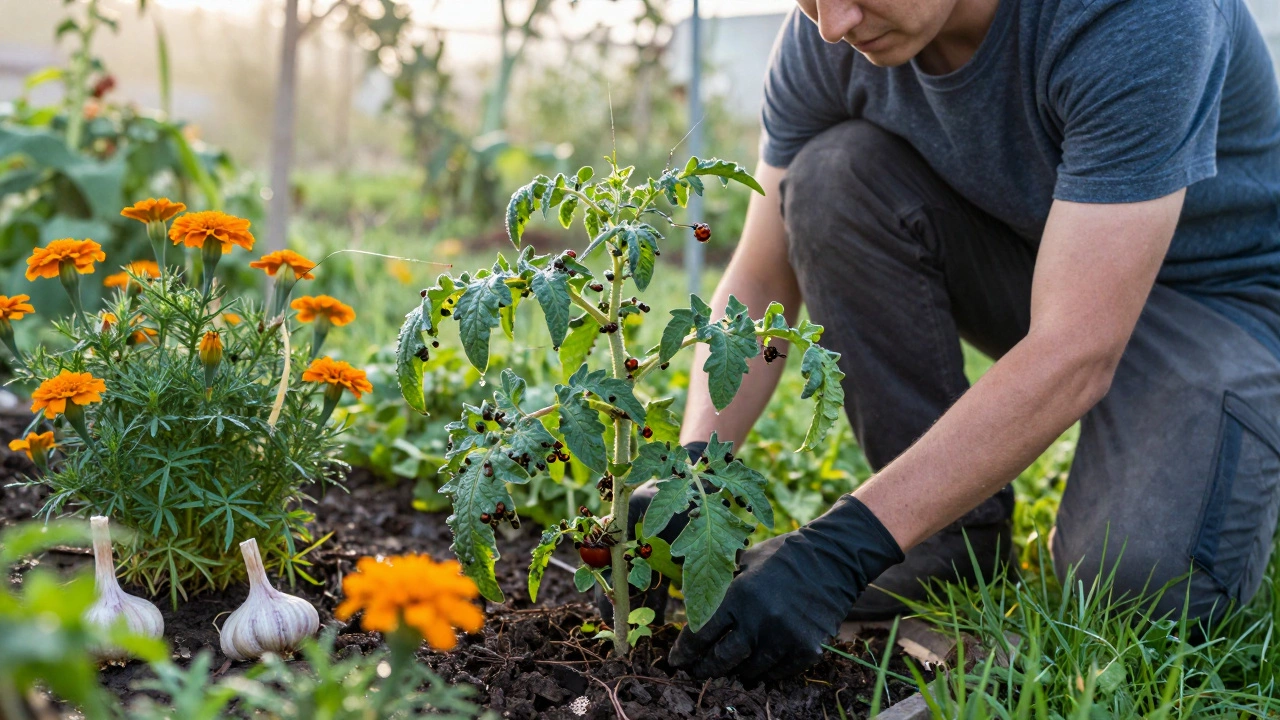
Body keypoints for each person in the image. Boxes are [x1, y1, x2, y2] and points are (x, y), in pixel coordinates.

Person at [633, 0, 1280, 682]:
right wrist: (695, 463)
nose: (833, 23)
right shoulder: (828, 36)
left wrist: (841, 546)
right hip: (1043, 265)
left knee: (1140, 591)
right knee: (829, 177)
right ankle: (947, 537)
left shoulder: (1137, 15)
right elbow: (763, 275)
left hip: (1213, 306)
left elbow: (1077, 346)